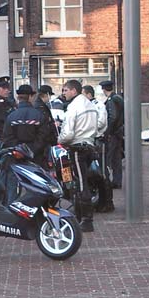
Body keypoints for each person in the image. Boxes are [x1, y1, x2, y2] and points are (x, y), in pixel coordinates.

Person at [57, 80, 99, 232]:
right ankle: (81, 215)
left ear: (74, 90)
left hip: (77, 148)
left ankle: (86, 219)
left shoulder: (73, 107)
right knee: (82, 180)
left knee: (81, 184)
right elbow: (100, 125)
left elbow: (68, 133)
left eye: (65, 90)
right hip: (89, 145)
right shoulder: (91, 105)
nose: (64, 93)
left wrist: (59, 139)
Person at [84, 85, 113, 213]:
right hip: (90, 142)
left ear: (89, 94)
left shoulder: (98, 106)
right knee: (93, 172)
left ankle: (107, 202)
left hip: (98, 141)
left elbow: (101, 122)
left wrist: (87, 127)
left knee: (102, 172)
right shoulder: (87, 106)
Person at [4, 84, 49, 168]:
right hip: (36, 157)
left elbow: (7, 137)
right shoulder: (39, 115)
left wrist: (19, 150)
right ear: (30, 97)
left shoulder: (11, 116)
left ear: (18, 98)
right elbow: (43, 136)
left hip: (16, 157)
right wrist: (32, 150)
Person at [100, 80, 124, 189]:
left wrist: (107, 132)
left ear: (104, 89)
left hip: (113, 133)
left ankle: (107, 181)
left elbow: (112, 117)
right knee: (116, 158)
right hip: (119, 132)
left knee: (108, 158)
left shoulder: (111, 100)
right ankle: (117, 181)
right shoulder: (119, 98)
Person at [33, 84, 60, 159]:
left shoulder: (41, 106)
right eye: (49, 95)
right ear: (45, 95)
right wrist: (54, 125)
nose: (50, 98)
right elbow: (44, 124)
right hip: (44, 141)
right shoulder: (40, 107)